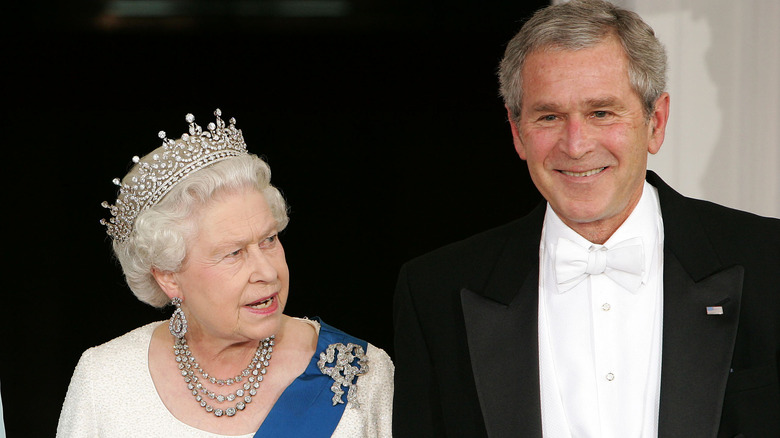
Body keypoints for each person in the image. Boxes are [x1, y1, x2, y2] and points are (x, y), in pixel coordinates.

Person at [392, 0, 780, 437]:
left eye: (601, 112)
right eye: (549, 116)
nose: (575, 145)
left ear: (656, 121)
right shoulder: (434, 293)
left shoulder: (770, 262)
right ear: (517, 133)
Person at [57, 109, 393, 437]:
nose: (267, 272)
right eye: (233, 253)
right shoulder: (104, 379)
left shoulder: (362, 374)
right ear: (169, 276)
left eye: (270, 239)